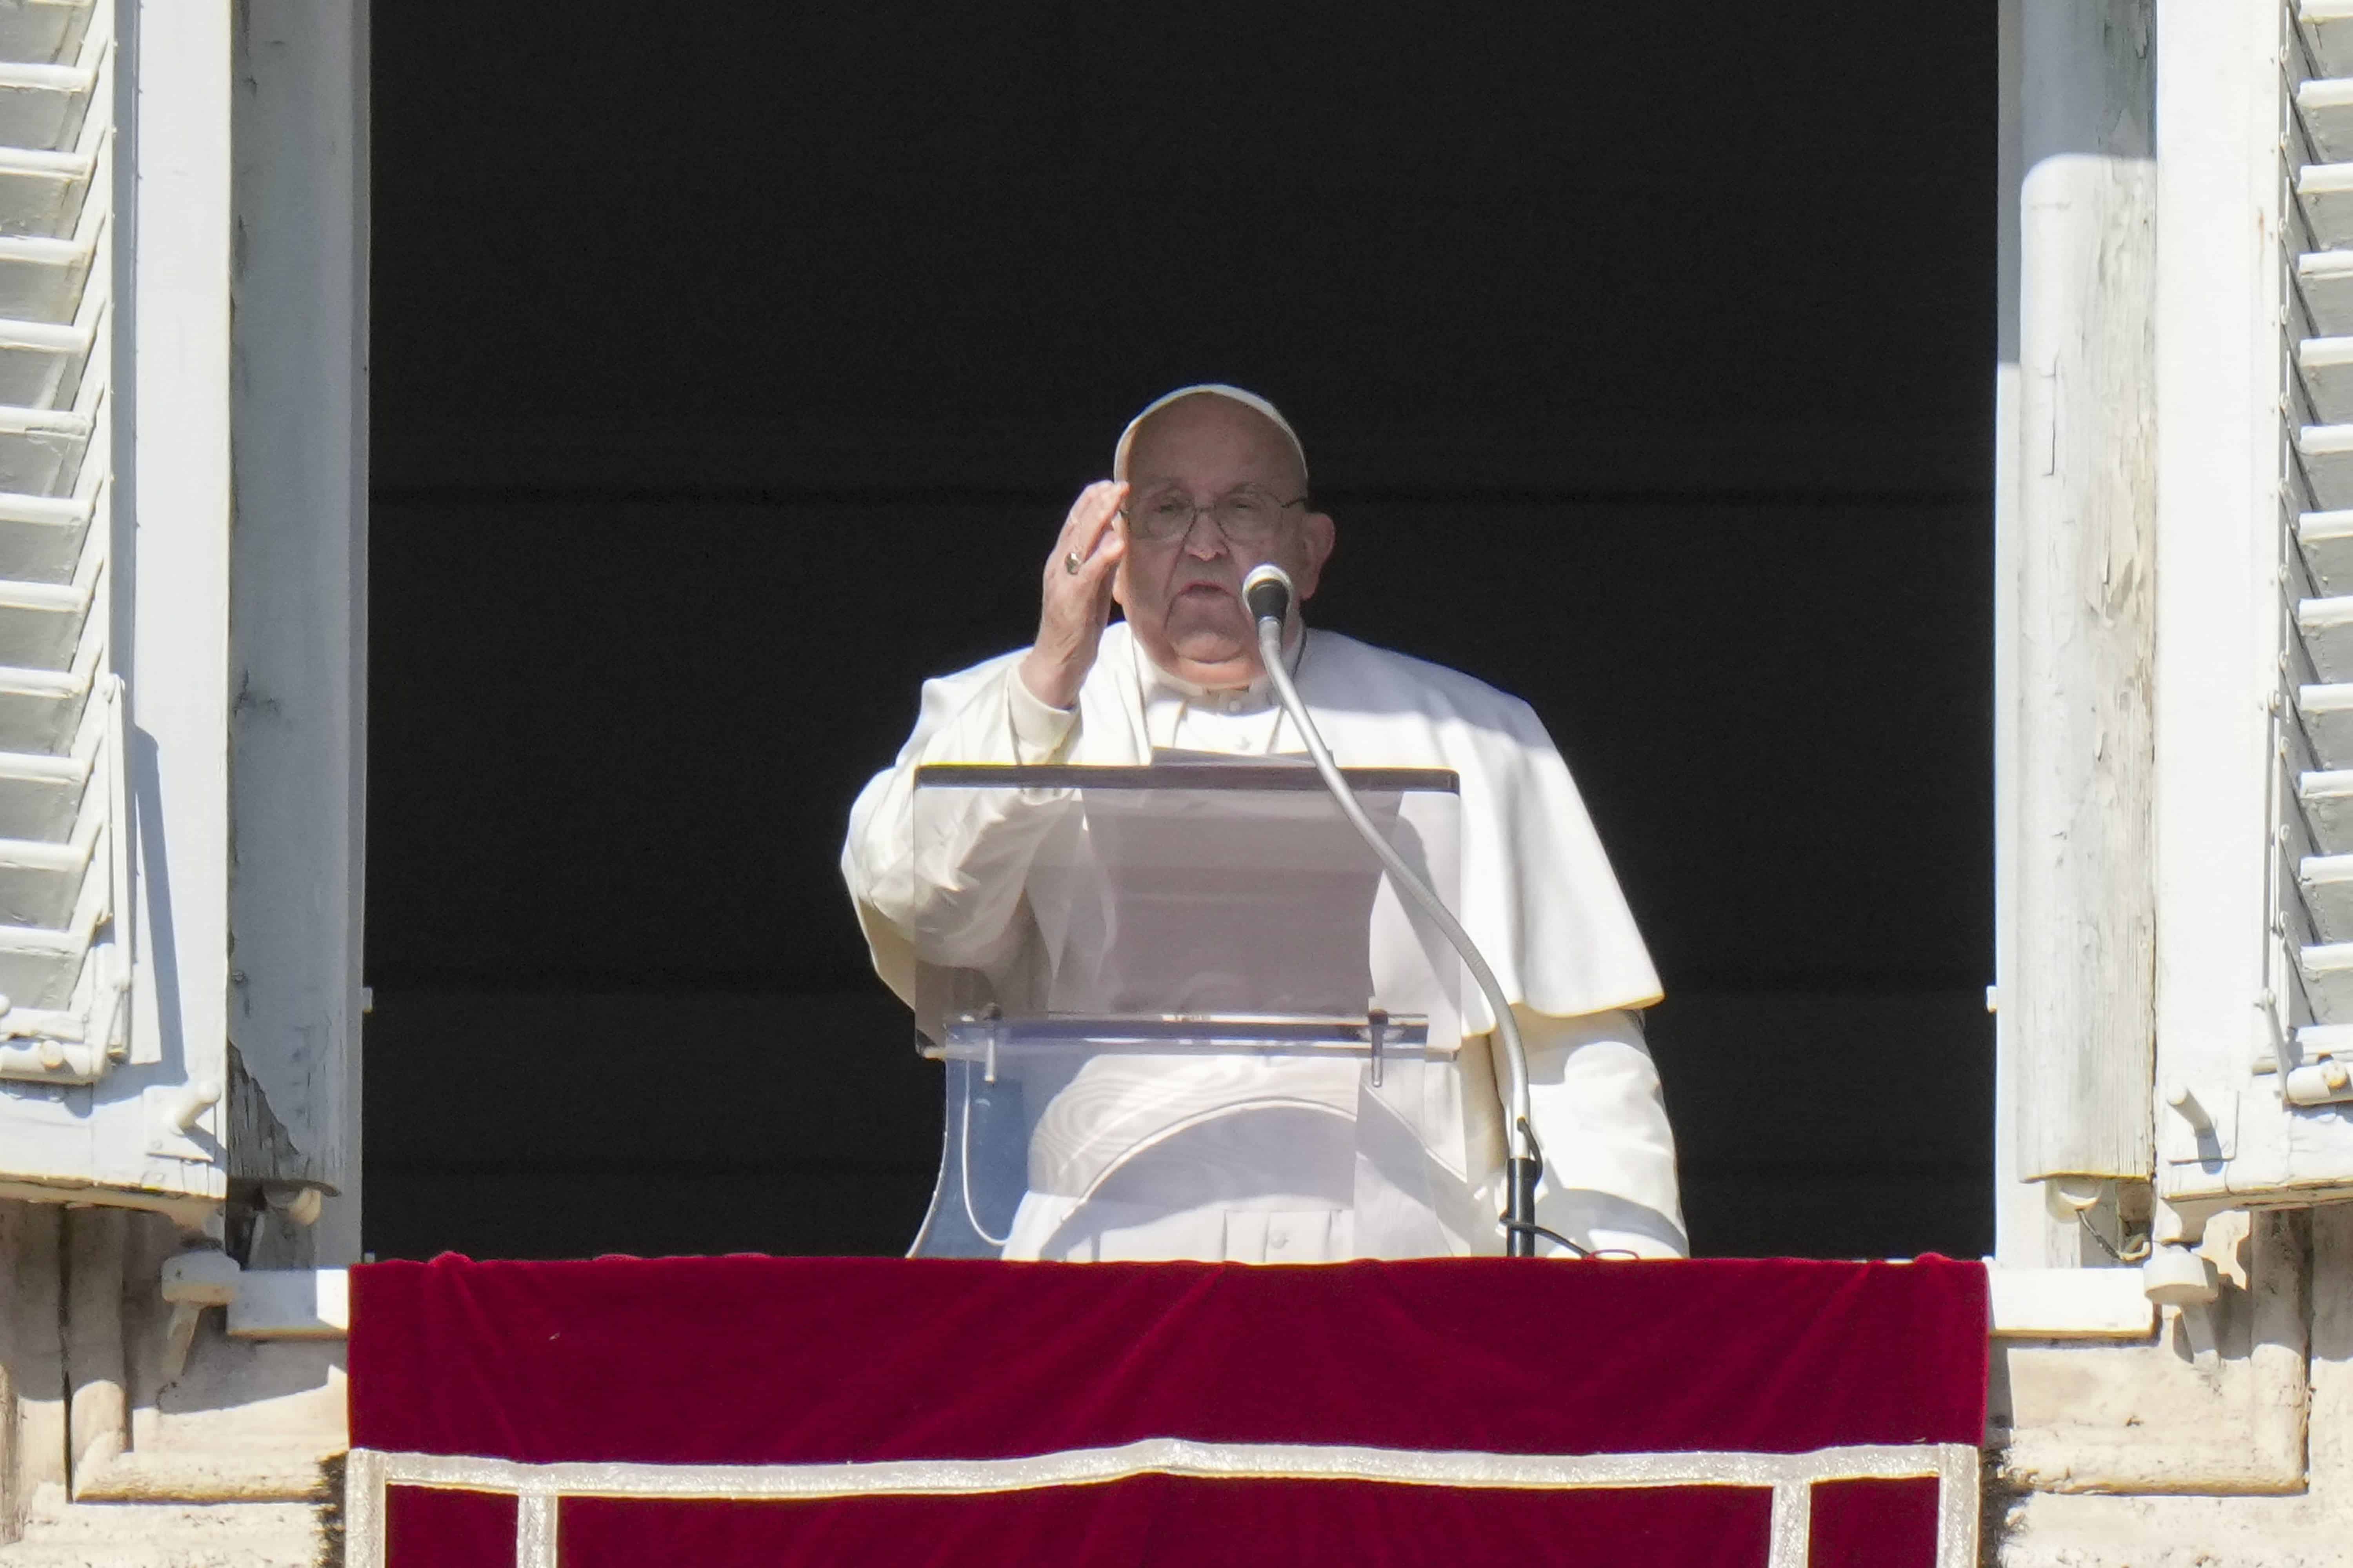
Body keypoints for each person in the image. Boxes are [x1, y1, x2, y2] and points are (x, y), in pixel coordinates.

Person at [842, 384, 1684, 1261]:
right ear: (1114, 549)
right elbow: (923, 907)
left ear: (1311, 551)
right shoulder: (1012, 710)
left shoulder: (1469, 733)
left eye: (1241, 507)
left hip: (1398, 1280)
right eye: (1167, 510)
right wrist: (1053, 673)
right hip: (1097, 1276)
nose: (1205, 542)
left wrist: (1623, 1300)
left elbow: (1578, 1067)